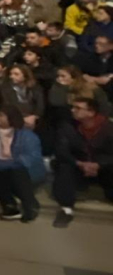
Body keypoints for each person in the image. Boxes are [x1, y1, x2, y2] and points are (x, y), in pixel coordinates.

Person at [52, 98, 113, 228]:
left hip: (104, 168)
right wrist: (79, 163)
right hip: (79, 166)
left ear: (91, 112)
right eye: (73, 107)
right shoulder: (68, 126)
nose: (73, 110)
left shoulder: (108, 128)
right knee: (64, 166)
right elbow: (61, 150)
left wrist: (99, 164)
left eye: (78, 108)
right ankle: (66, 209)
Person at [0, 105, 44, 222]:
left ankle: (29, 205)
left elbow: (32, 157)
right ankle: (10, 206)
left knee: (17, 171)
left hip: (20, 168)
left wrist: (11, 162)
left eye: (1, 115)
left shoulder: (26, 135)